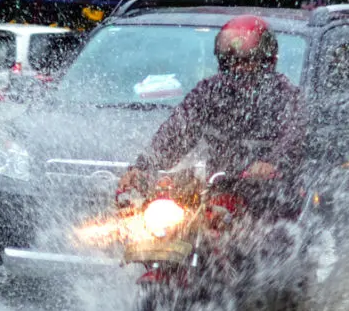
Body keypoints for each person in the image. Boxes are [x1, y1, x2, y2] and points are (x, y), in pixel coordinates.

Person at [116, 15, 306, 216]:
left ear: (266, 61)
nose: (238, 68)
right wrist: (143, 167)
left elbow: (293, 139)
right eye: (231, 61)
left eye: (247, 61)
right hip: (219, 193)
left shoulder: (287, 97)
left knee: (273, 238)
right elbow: (178, 130)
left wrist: (271, 163)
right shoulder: (209, 92)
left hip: (272, 199)